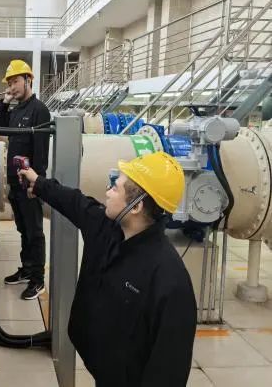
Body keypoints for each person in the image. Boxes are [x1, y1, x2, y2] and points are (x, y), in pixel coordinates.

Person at [19, 151, 197, 386]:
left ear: (136, 206)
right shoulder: (106, 228)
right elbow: (75, 202)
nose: (107, 192)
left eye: (115, 188)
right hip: (101, 368)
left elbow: (170, 368)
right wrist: (39, 183)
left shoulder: (168, 278)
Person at [0, 59, 51, 300]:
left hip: (29, 184)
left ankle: (38, 280)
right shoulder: (16, 110)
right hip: (15, 183)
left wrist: (36, 185)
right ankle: (27, 269)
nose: (11, 87)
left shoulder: (39, 110)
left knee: (35, 231)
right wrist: (4, 102)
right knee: (23, 228)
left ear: (28, 80)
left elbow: (41, 152)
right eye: (9, 83)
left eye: (15, 81)